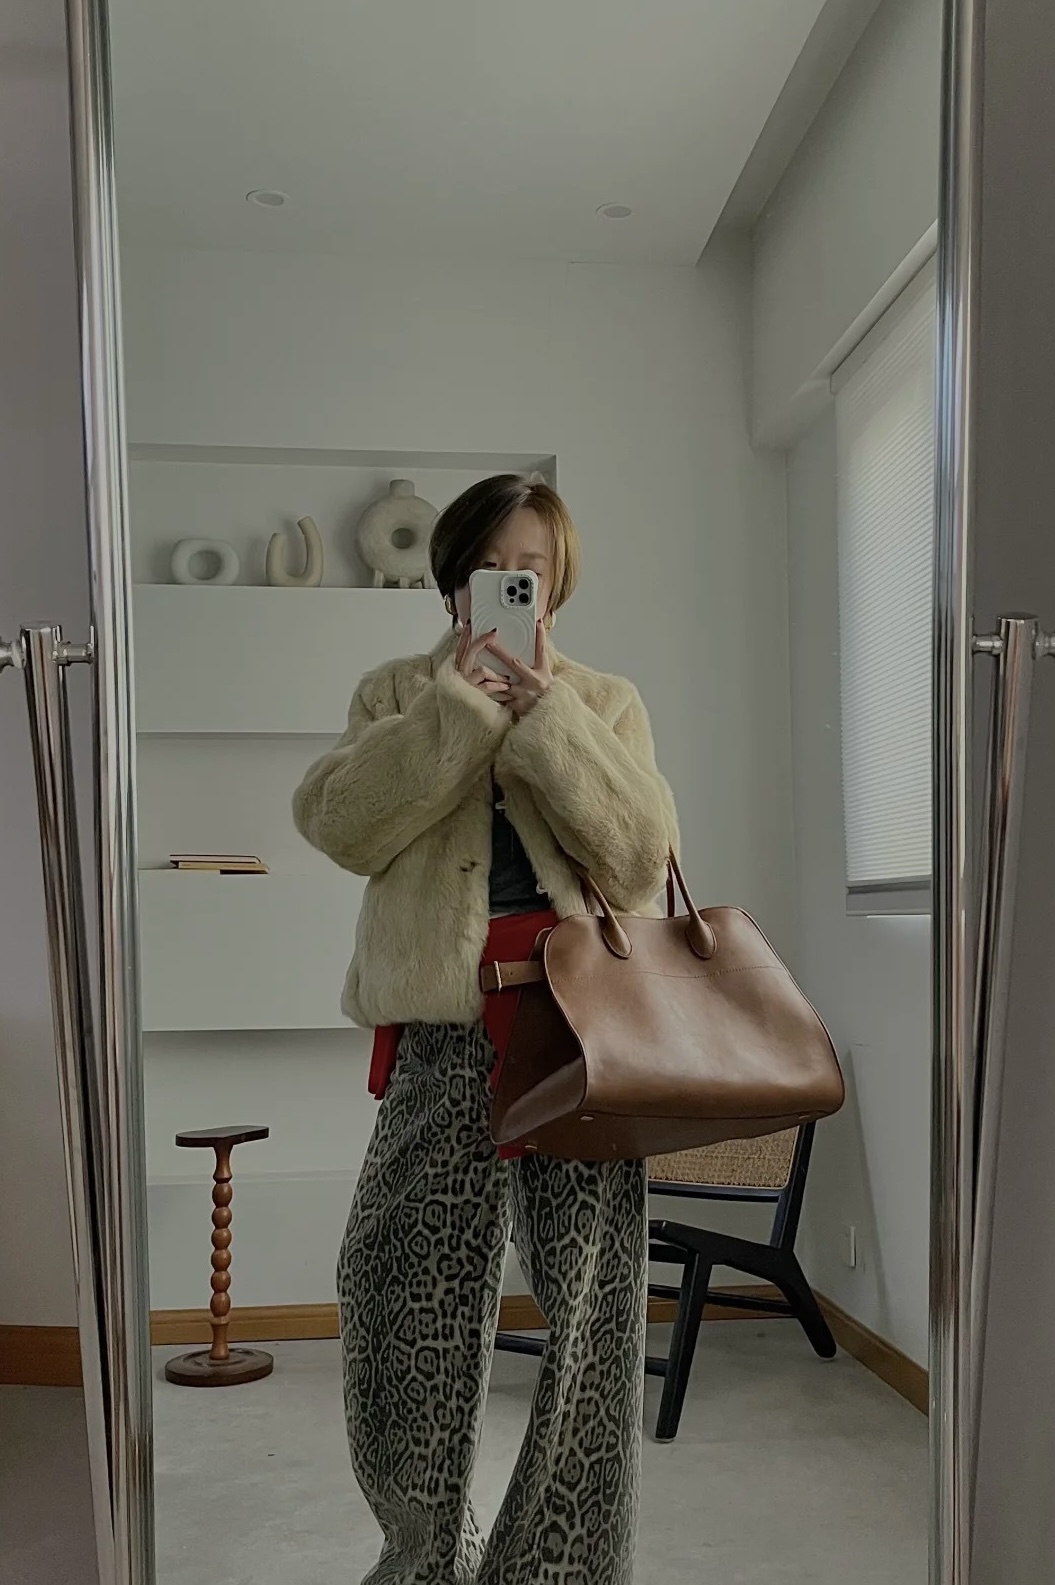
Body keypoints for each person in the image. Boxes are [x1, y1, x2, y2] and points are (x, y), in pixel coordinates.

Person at [293, 473, 678, 1585]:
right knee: (393, 1289)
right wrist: (458, 710)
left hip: (579, 1033)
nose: (515, 585)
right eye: (493, 567)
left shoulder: (602, 700)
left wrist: (548, 718)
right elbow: (341, 825)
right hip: (442, 1031)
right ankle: (424, 1554)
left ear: (556, 584)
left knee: (593, 1310)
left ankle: (560, 1568)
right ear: (454, 578)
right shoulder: (395, 693)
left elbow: (640, 859)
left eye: (534, 570)